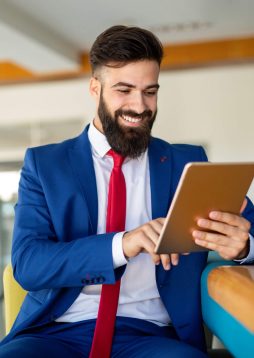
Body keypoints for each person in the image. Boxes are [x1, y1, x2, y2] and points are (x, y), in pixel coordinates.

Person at [0, 25, 254, 358]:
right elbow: (30, 264)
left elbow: (248, 225)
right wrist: (123, 243)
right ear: (95, 88)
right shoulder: (46, 165)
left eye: (150, 91)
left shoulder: (186, 163)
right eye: (124, 90)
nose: (140, 105)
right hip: (54, 334)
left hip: (152, 336)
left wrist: (244, 246)